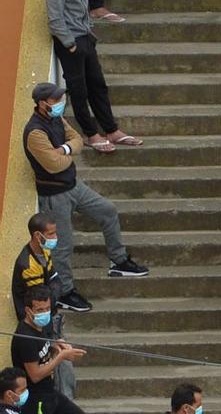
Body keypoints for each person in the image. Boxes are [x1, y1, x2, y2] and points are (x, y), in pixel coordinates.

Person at [25, 77, 147, 309]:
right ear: (42, 103)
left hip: (74, 186)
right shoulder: (34, 133)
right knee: (62, 246)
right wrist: (67, 152)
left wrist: (64, 149)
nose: (60, 102)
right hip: (54, 195)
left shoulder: (57, 118)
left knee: (107, 211)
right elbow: (53, 165)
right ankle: (64, 292)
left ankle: (119, 260)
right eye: (55, 99)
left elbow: (78, 140)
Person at [47, 0, 134, 154]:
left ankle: (111, 129)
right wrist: (69, 43)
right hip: (71, 43)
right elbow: (55, 17)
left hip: (86, 36)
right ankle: (91, 134)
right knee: (79, 90)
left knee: (98, 85)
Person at [10, 286, 88, 414]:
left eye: (46, 308)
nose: (44, 313)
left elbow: (48, 343)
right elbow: (35, 374)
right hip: (36, 398)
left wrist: (59, 346)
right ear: (28, 310)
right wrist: (60, 358)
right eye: (39, 309)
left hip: (50, 392)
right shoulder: (24, 336)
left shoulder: (40, 327)